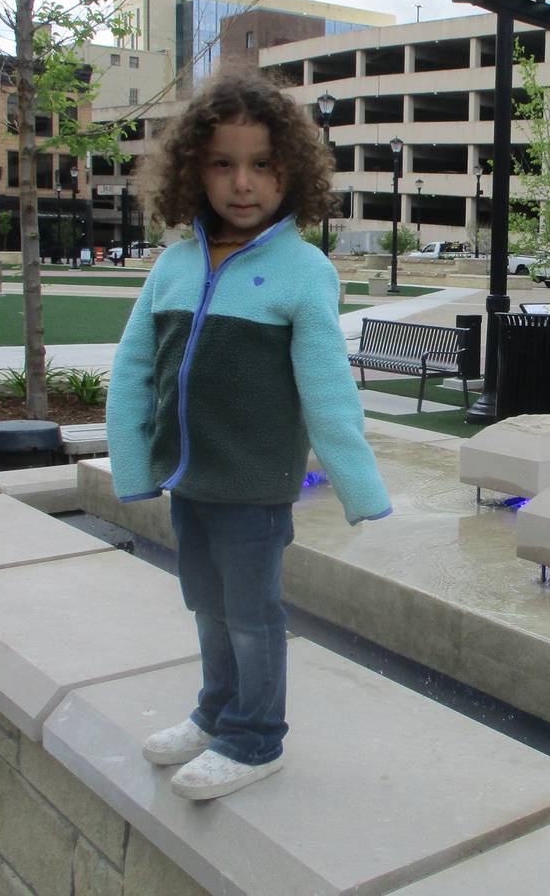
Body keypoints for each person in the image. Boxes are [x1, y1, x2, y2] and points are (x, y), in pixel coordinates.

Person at [107, 71, 392, 801]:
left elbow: (328, 391)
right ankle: (216, 714)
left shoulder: (303, 271)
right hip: (190, 481)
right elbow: (134, 368)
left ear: (290, 171)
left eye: (262, 164)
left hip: (254, 489)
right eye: (223, 164)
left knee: (252, 616)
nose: (242, 183)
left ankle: (256, 738)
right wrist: (136, 467)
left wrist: (361, 490)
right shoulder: (175, 264)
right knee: (206, 603)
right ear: (192, 171)